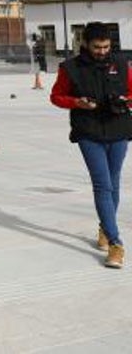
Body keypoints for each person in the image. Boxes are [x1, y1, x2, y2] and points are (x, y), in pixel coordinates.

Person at [50, 22, 132, 269]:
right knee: (102, 184)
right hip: (89, 132)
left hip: (118, 129)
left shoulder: (120, 63)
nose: (102, 51)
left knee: (114, 182)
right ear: (85, 43)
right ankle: (116, 244)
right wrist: (78, 102)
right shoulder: (71, 68)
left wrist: (125, 100)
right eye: (97, 47)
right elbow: (56, 96)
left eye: (106, 47)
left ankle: (105, 229)